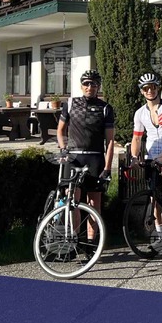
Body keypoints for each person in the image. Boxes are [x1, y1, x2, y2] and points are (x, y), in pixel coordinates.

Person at [56, 69, 115, 243]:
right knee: (72, 201)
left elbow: (110, 141)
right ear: (81, 86)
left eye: (94, 84)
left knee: (94, 204)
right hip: (74, 157)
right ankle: (74, 239)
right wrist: (63, 149)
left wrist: (107, 168)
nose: (90, 87)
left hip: (95, 158)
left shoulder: (106, 108)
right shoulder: (70, 103)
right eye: (86, 84)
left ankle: (90, 242)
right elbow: (60, 131)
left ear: (98, 86)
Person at [129, 73, 162, 250]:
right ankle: (160, 235)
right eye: (146, 88)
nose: (150, 91)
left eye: (153, 87)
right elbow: (137, 138)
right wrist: (134, 157)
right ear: (142, 91)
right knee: (155, 199)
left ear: (158, 87)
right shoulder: (140, 113)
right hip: (152, 159)